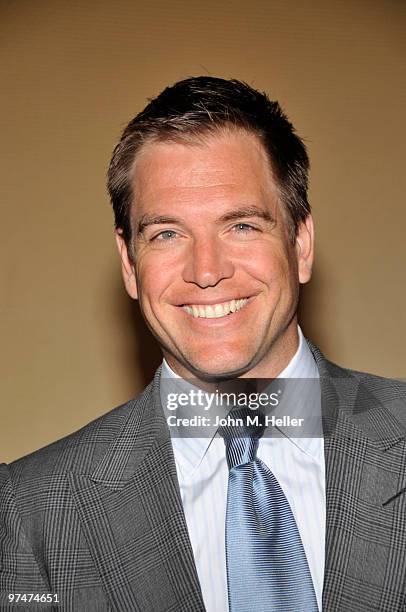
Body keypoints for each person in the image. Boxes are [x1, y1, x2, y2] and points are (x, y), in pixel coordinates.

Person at [1, 76, 405, 612]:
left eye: (240, 226)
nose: (206, 271)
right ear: (129, 264)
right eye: (167, 233)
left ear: (301, 243)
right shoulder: (29, 510)